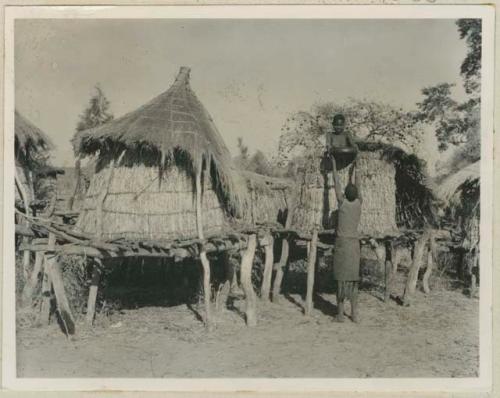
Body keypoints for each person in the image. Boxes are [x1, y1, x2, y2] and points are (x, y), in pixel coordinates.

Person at [330, 155, 362, 323]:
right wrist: (356, 167)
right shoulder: (359, 203)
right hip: (354, 246)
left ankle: (341, 314)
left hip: (342, 245)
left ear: (345, 194)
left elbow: (336, 182)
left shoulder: (341, 203)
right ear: (356, 195)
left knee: (341, 281)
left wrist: (335, 164)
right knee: (353, 281)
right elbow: (359, 183)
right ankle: (355, 315)